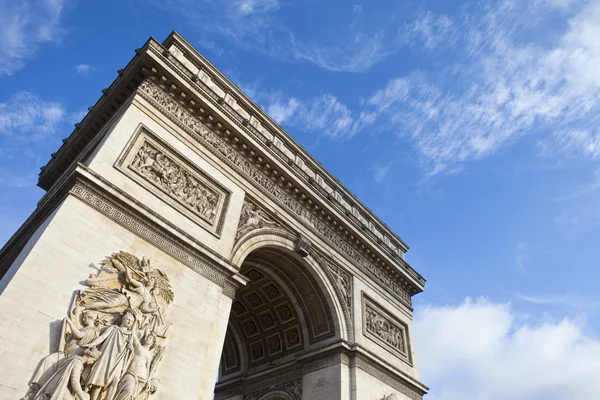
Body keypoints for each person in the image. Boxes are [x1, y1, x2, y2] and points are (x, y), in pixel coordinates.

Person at [28, 313, 100, 393]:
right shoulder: (85, 328)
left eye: (84, 318)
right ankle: (37, 389)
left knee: (50, 361)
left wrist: (70, 323)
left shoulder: (93, 330)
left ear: (90, 318)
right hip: (66, 353)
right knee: (48, 360)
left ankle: (43, 391)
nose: (83, 320)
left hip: (73, 356)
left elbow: (79, 335)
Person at [85, 311, 136, 400]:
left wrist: (131, 348)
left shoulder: (130, 335)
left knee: (115, 380)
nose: (129, 322)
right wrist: (91, 344)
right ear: (123, 319)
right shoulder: (113, 328)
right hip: (107, 356)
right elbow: (102, 337)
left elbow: (131, 349)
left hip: (119, 359)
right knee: (99, 380)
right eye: (128, 319)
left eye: (131, 321)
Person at [29, 348, 101, 400]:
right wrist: (82, 398)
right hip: (57, 387)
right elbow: (74, 383)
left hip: (55, 384)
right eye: (93, 360)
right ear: (90, 356)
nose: (92, 363)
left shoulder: (74, 358)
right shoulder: (77, 363)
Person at [112, 333, 156, 400]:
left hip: (142, 379)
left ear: (152, 343)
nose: (147, 338)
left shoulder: (149, 355)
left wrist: (148, 380)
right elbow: (134, 334)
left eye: (150, 338)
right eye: (147, 336)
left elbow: (147, 368)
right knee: (128, 391)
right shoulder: (139, 347)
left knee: (131, 397)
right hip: (131, 373)